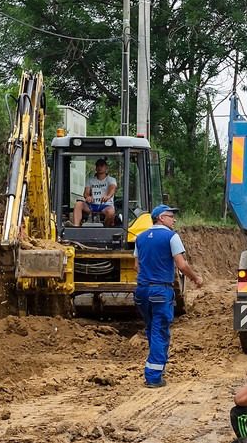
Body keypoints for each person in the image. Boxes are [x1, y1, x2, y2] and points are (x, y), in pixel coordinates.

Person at [134, 204, 204, 388]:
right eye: (171, 216)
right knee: (160, 331)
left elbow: (136, 266)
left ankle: (156, 368)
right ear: (161, 218)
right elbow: (181, 265)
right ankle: (153, 377)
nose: (174, 219)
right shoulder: (172, 237)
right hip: (160, 290)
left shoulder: (140, 238)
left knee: (152, 329)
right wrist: (196, 278)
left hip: (142, 290)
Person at [71, 158, 119, 227]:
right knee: (78, 204)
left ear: (106, 167)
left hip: (105, 205)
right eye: (97, 165)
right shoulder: (90, 180)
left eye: (101, 165)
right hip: (92, 205)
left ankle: (105, 228)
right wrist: (88, 197)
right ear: (96, 168)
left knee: (111, 212)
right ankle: (76, 226)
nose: (99, 167)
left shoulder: (111, 179)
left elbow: (112, 189)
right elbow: (86, 193)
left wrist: (108, 196)